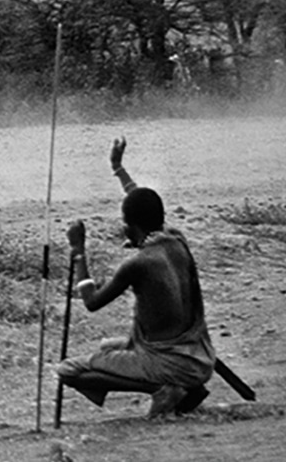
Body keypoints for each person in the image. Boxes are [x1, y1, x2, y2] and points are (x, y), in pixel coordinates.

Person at [56, 137, 217, 418]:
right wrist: (118, 169)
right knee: (108, 347)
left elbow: (92, 302)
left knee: (68, 370)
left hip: (172, 364)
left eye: (125, 222)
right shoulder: (177, 241)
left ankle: (163, 389)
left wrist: (79, 252)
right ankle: (183, 387)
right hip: (201, 360)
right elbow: (142, 203)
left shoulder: (138, 264)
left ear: (130, 227)